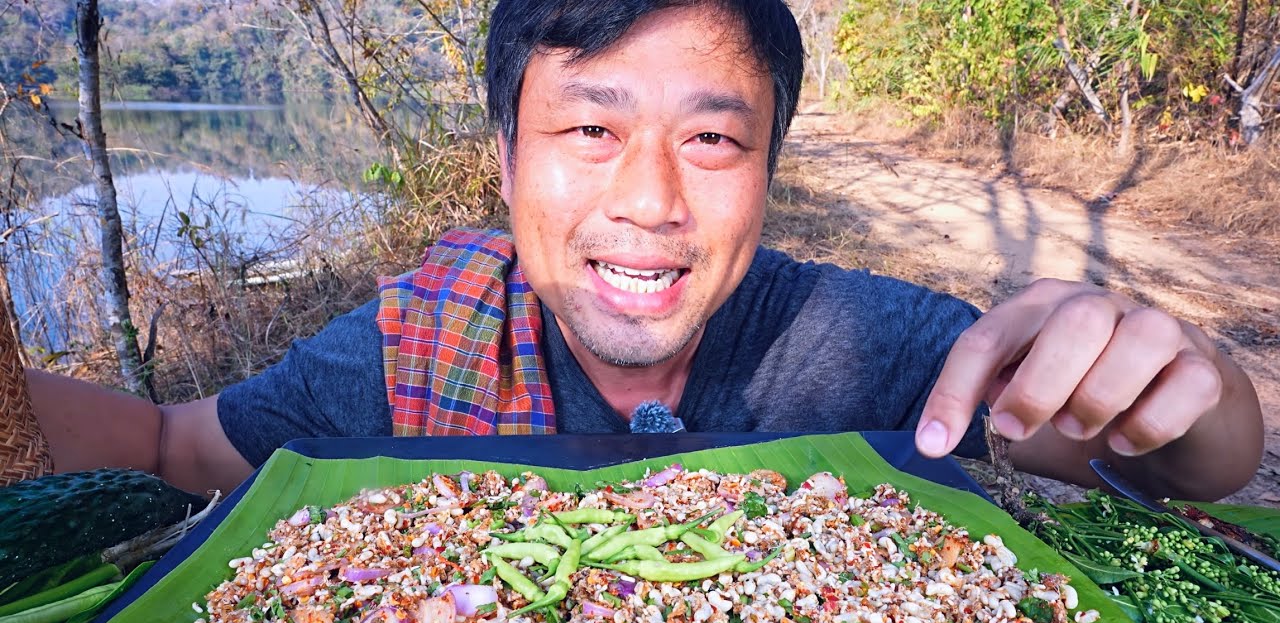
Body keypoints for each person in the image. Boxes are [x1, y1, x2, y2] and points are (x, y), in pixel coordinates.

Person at [25, 0, 1263, 502]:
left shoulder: (857, 341)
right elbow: (171, 444)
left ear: (769, 172)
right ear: (506, 162)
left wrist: (1182, 372)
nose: (651, 199)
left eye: (713, 141)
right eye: (587, 128)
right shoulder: (410, 346)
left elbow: (1173, 467)